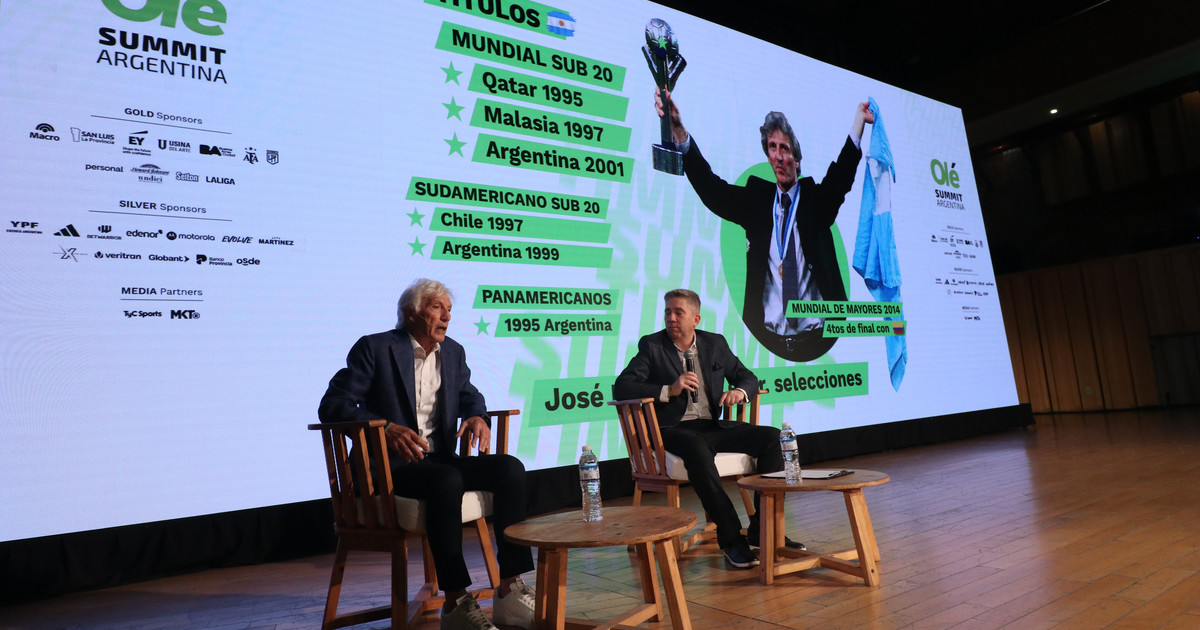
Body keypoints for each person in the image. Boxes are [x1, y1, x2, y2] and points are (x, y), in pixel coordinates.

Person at [318, 278, 535, 630]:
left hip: (439, 459)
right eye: (437, 307)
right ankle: (456, 602)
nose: (446, 316)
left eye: (449, 309)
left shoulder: (453, 352)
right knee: (446, 480)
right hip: (391, 467)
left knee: (510, 468)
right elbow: (333, 405)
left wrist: (477, 416)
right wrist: (384, 428)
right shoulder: (375, 348)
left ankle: (510, 589)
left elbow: (469, 395)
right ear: (411, 313)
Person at [655, 88, 874, 362]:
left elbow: (841, 175)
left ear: (797, 159)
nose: (779, 156)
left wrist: (858, 122)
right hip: (767, 347)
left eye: (785, 148)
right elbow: (713, 191)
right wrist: (679, 133)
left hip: (819, 344)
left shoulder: (816, 202)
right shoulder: (757, 201)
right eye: (773, 147)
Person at [613, 289, 804, 569]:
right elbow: (622, 387)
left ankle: (762, 529)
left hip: (713, 425)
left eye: (678, 313)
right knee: (697, 448)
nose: (671, 318)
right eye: (668, 312)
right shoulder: (652, 346)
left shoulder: (715, 344)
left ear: (696, 319)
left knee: (774, 438)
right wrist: (668, 389)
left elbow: (748, 377)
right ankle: (731, 539)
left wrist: (739, 391)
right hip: (671, 429)